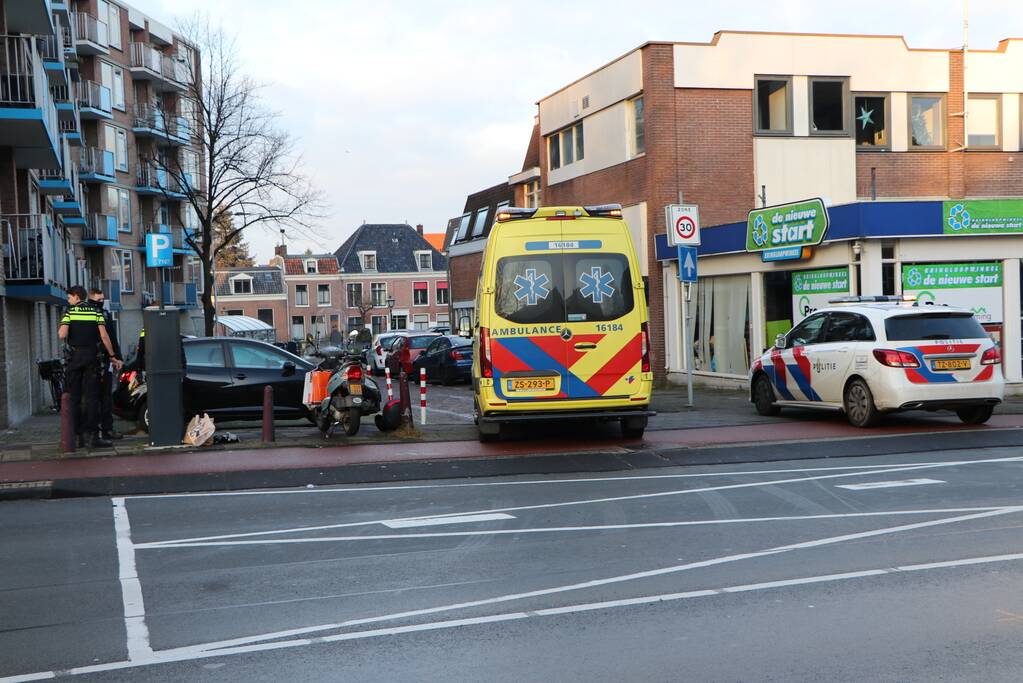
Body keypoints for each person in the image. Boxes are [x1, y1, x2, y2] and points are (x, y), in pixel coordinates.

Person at [58, 286, 121, 448]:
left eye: (69, 297)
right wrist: (113, 356)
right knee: (92, 397)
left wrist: (66, 325)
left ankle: (77, 436)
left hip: (75, 357)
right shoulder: (96, 312)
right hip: (92, 357)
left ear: (76, 297)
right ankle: (93, 437)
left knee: (75, 397)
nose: (68, 300)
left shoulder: (70, 312)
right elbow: (104, 336)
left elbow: (62, 335)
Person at [87, 288, 123, 440]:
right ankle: (92, 431)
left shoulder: (106, 315)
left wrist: (117, 357)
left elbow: (112, 337)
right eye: (98, 300)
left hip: (106, 360)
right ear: (90, 300)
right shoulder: (87, 314)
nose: (101, 303)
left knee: (106, 397)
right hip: (91, 361)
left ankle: (107, 429)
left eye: (103, 300)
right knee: (91, 398)